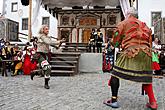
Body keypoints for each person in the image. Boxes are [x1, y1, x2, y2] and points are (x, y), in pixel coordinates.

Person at [103, 7, 158, 109]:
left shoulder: (123, 23)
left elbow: (115, 40)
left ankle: (114, 100)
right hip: (147, 53)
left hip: (131, 52)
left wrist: (113, 43)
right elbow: (150, 40)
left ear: (128, 14)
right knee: (146, 78)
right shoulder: (144, 25)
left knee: (115, 74)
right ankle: (153, 102)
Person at [30, 25, 65, 89]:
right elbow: (48, 42)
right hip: (39, 55)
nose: (48, 30)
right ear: (42, 30)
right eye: (46, 29)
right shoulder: (41, 36)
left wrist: (58, 45)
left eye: (48, 29)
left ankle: (35, 72)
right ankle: (46, 84)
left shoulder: (47, 37)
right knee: (48, 67)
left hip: (45, 55)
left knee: (46, 69)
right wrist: (59, 41)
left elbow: (50, 44)